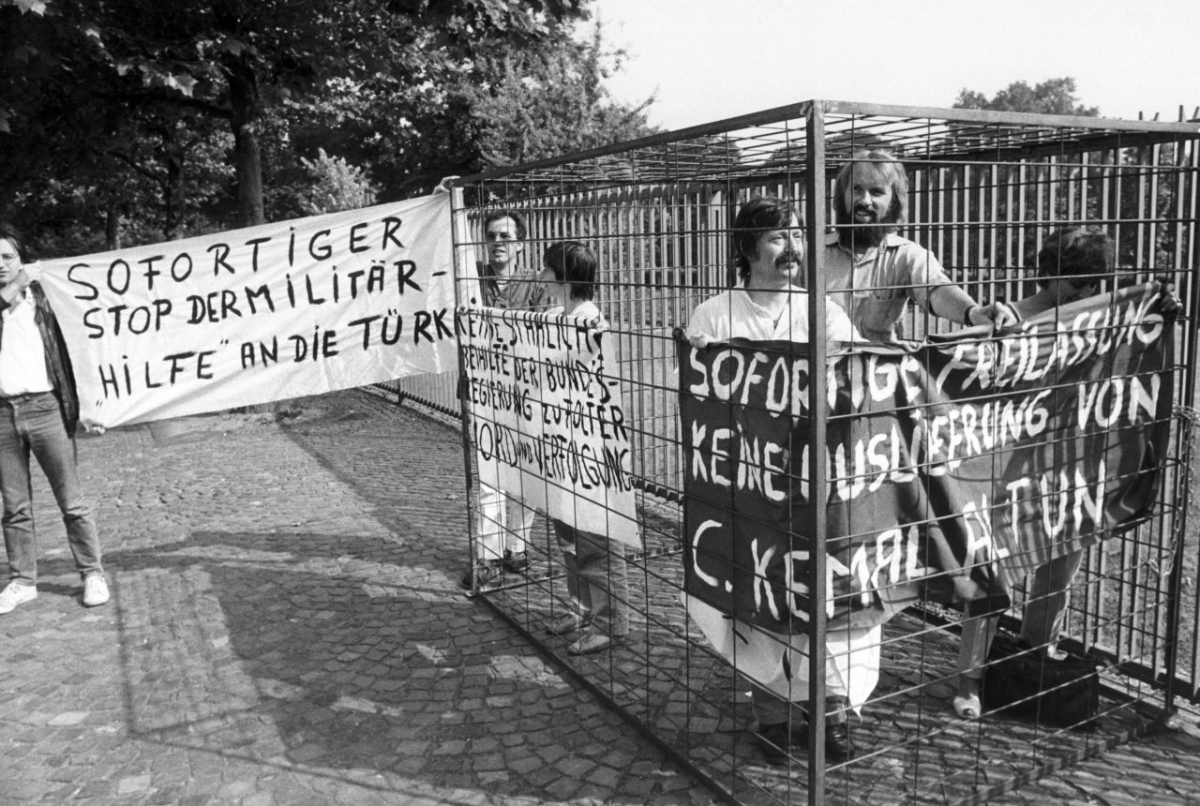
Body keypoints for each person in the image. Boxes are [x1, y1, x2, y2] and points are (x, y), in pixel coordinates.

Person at [686, 196, 873, 766]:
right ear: (746, 248)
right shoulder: (714, 314)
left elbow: (858, 389)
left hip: (817, 487)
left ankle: (832, 715)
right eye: (776, 236)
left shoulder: (827, 314)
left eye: (798, 233)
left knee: (829, 593)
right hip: (748, 488)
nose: (793, 246)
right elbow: (697, 395)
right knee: (757, 595)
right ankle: (772, 715)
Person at [952, 226, 1130, 718]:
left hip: (1067, 464)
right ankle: (969, 680)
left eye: (1096, 283)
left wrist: (1158, 311)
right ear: (1047, 274)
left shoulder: (1098, 317)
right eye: (1076, 283)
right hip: (1008, 467)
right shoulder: (1014, 320)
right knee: (992, 575)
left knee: (1061, 562)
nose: (1087, 293)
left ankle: (1032, 661)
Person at [0, 226, 108, 614]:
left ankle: (92, 573)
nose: (0, 266)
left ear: (21, 259)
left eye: (7, 257)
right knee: (14, 506)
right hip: (1, 415)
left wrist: (90, 407)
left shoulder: (46, 304)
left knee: (71, 500)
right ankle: (22, 580)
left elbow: (79, 351)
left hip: (46, 408)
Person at [537, 241, 631, 656]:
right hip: (558, 439)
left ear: (564, 276)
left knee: (596, 537)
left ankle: (611, 622)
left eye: (547, 271)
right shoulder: (558, 316)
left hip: (588, 444)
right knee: (568, 535)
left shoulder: (591, 323)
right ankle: (580, 608)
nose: (541, 277)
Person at [824, 149, 1011, 342]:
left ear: (893, 202)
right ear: (842, 195)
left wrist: (972, 312)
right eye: (856, 189)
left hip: (879, 369)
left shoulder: (906, 256)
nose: (864, 200)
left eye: (876, 192)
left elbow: (936, 288)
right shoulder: (812, 255)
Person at [461, 210, 549, 590]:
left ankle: (518, 548)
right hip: (483, 392)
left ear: (520, 244)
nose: (499, 242)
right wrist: (446, 201)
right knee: (489, 476)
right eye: (493, 235)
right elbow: (443, 247)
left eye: (507, 236)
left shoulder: (535, 284)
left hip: (526, 392)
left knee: (528, 475)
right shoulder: (471, 278)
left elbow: (546, 332)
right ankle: (489, 557)